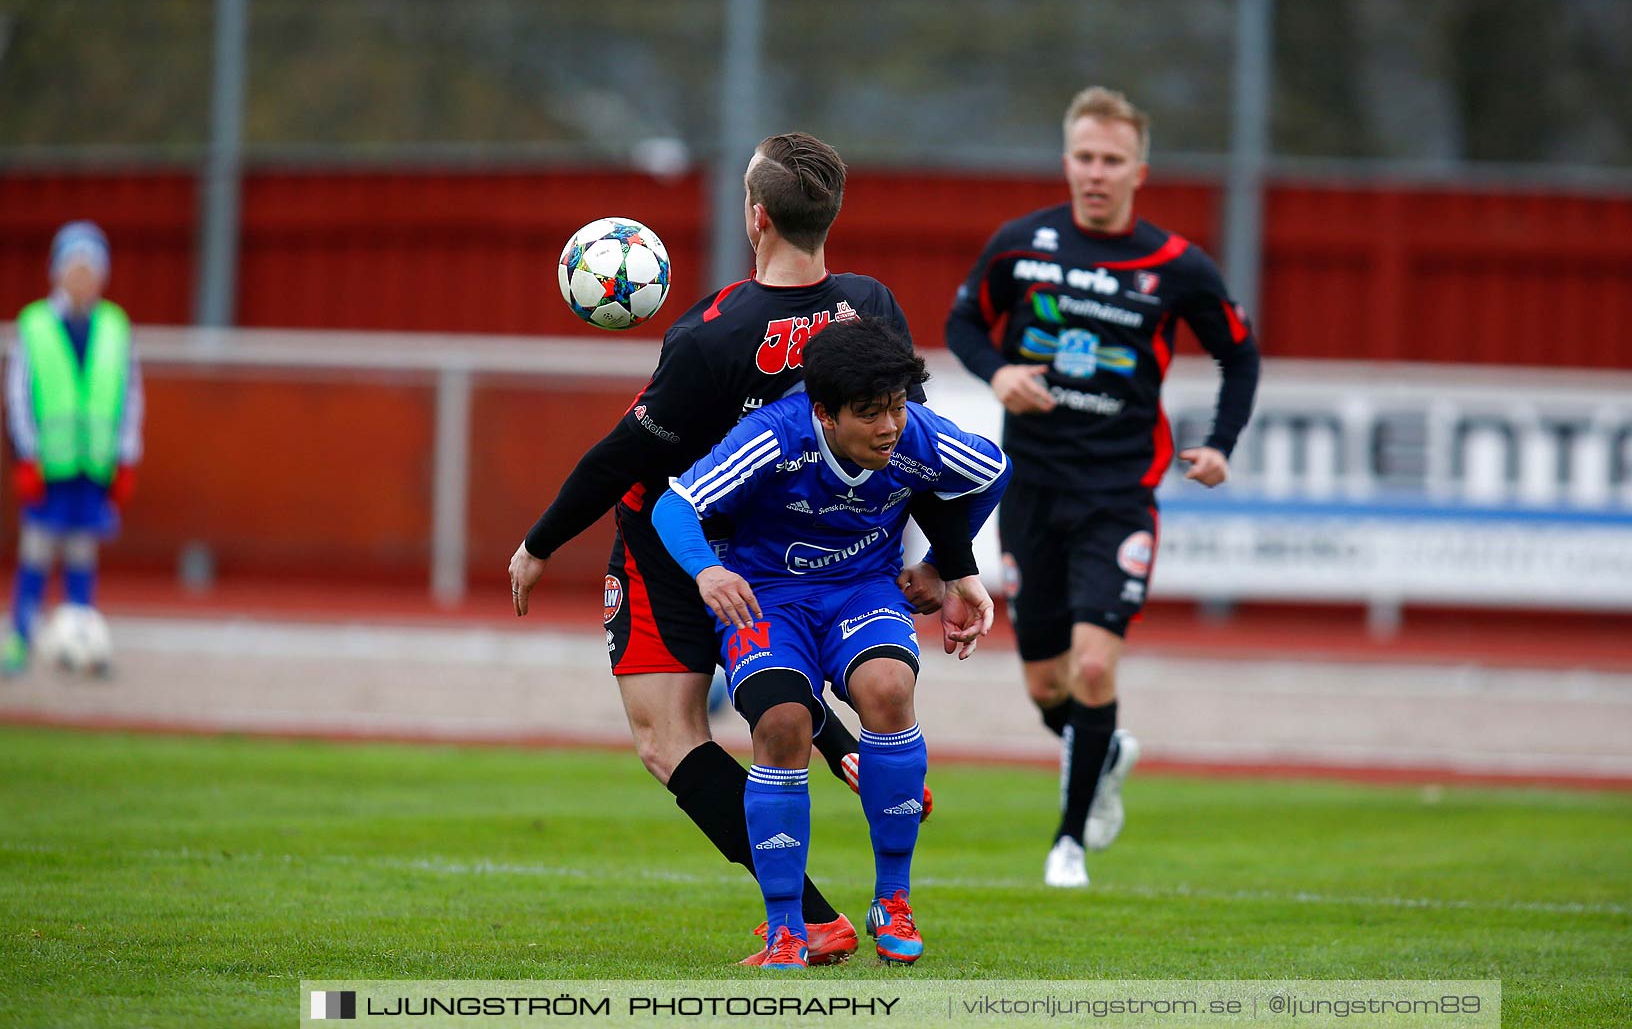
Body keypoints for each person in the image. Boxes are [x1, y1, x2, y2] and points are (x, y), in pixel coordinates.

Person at [507, 132, 990, 966]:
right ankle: (846, 757)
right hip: (797, 553)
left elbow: (632, 454)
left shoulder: (711, 334)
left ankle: (811, 917)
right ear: (829, 213)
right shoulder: (871, 305)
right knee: (784, 702)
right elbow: (922, 459)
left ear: (755, 217)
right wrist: (955, 565)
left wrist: (540, 541)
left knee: (669, 740)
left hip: (681, 545)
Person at [944, 86, 1261, 888]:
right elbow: (961, 324)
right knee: (1046, 683)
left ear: (1139, 171)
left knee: (1092, 670)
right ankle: (1105, 748)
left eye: (1112, 160)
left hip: (1120, 492)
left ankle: (1069, 844)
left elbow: (1239, 353)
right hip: (1031, 491)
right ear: (1067, 162)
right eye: (1084, 157)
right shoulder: (1022, 245)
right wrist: (999, 372)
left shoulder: (1176, 265)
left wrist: (1221, 443)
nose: (1096, 172)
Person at [651, 317, 1007, 968]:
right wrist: (709, 569)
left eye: (897, 406)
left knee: (889, 688)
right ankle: (787, 927)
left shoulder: (913, 438)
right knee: (783, 723)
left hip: (863, 591)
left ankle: (893, 900)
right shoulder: (774, 435)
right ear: (824, 412)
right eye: (870, 414)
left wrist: (942, 566)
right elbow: (674, 507)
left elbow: (992, 473)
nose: (889, 427)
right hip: (767, 598)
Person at [4, 220, 143, 676]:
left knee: (83, 551)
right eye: (74, 267)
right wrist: (25, 454)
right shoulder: (37, 325)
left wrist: (126, 457)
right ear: (56, 272)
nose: (82, 278)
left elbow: (129, 395)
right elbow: (19, 394)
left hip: (93, 464)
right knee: (38, 550)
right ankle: (20, 638)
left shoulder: (114, 327)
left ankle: (80, 640)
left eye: (91, 269)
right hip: (50, 463)